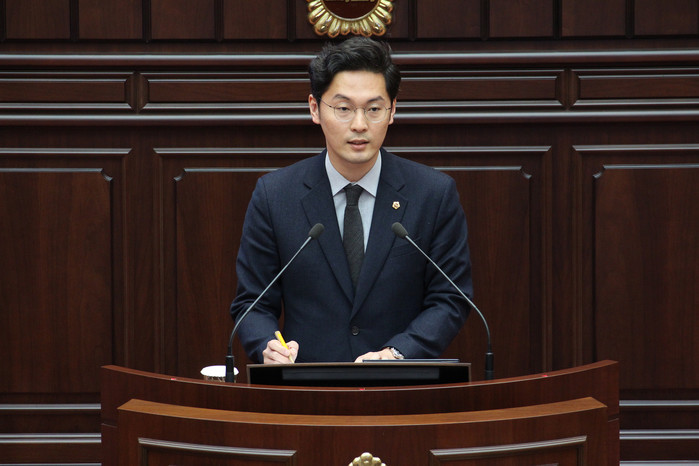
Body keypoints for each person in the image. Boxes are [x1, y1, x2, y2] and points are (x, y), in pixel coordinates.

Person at [230, 36, 473, 364]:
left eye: (374, 109)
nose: (360, 125)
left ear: (392, 110)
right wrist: (268, 347)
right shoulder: (275, 196)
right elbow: (253, 303)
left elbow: (450, 298)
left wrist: (398, 353)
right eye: (343, 109)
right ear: (315, 109)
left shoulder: (433, 194)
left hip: (399, 386)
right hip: (307, 385)